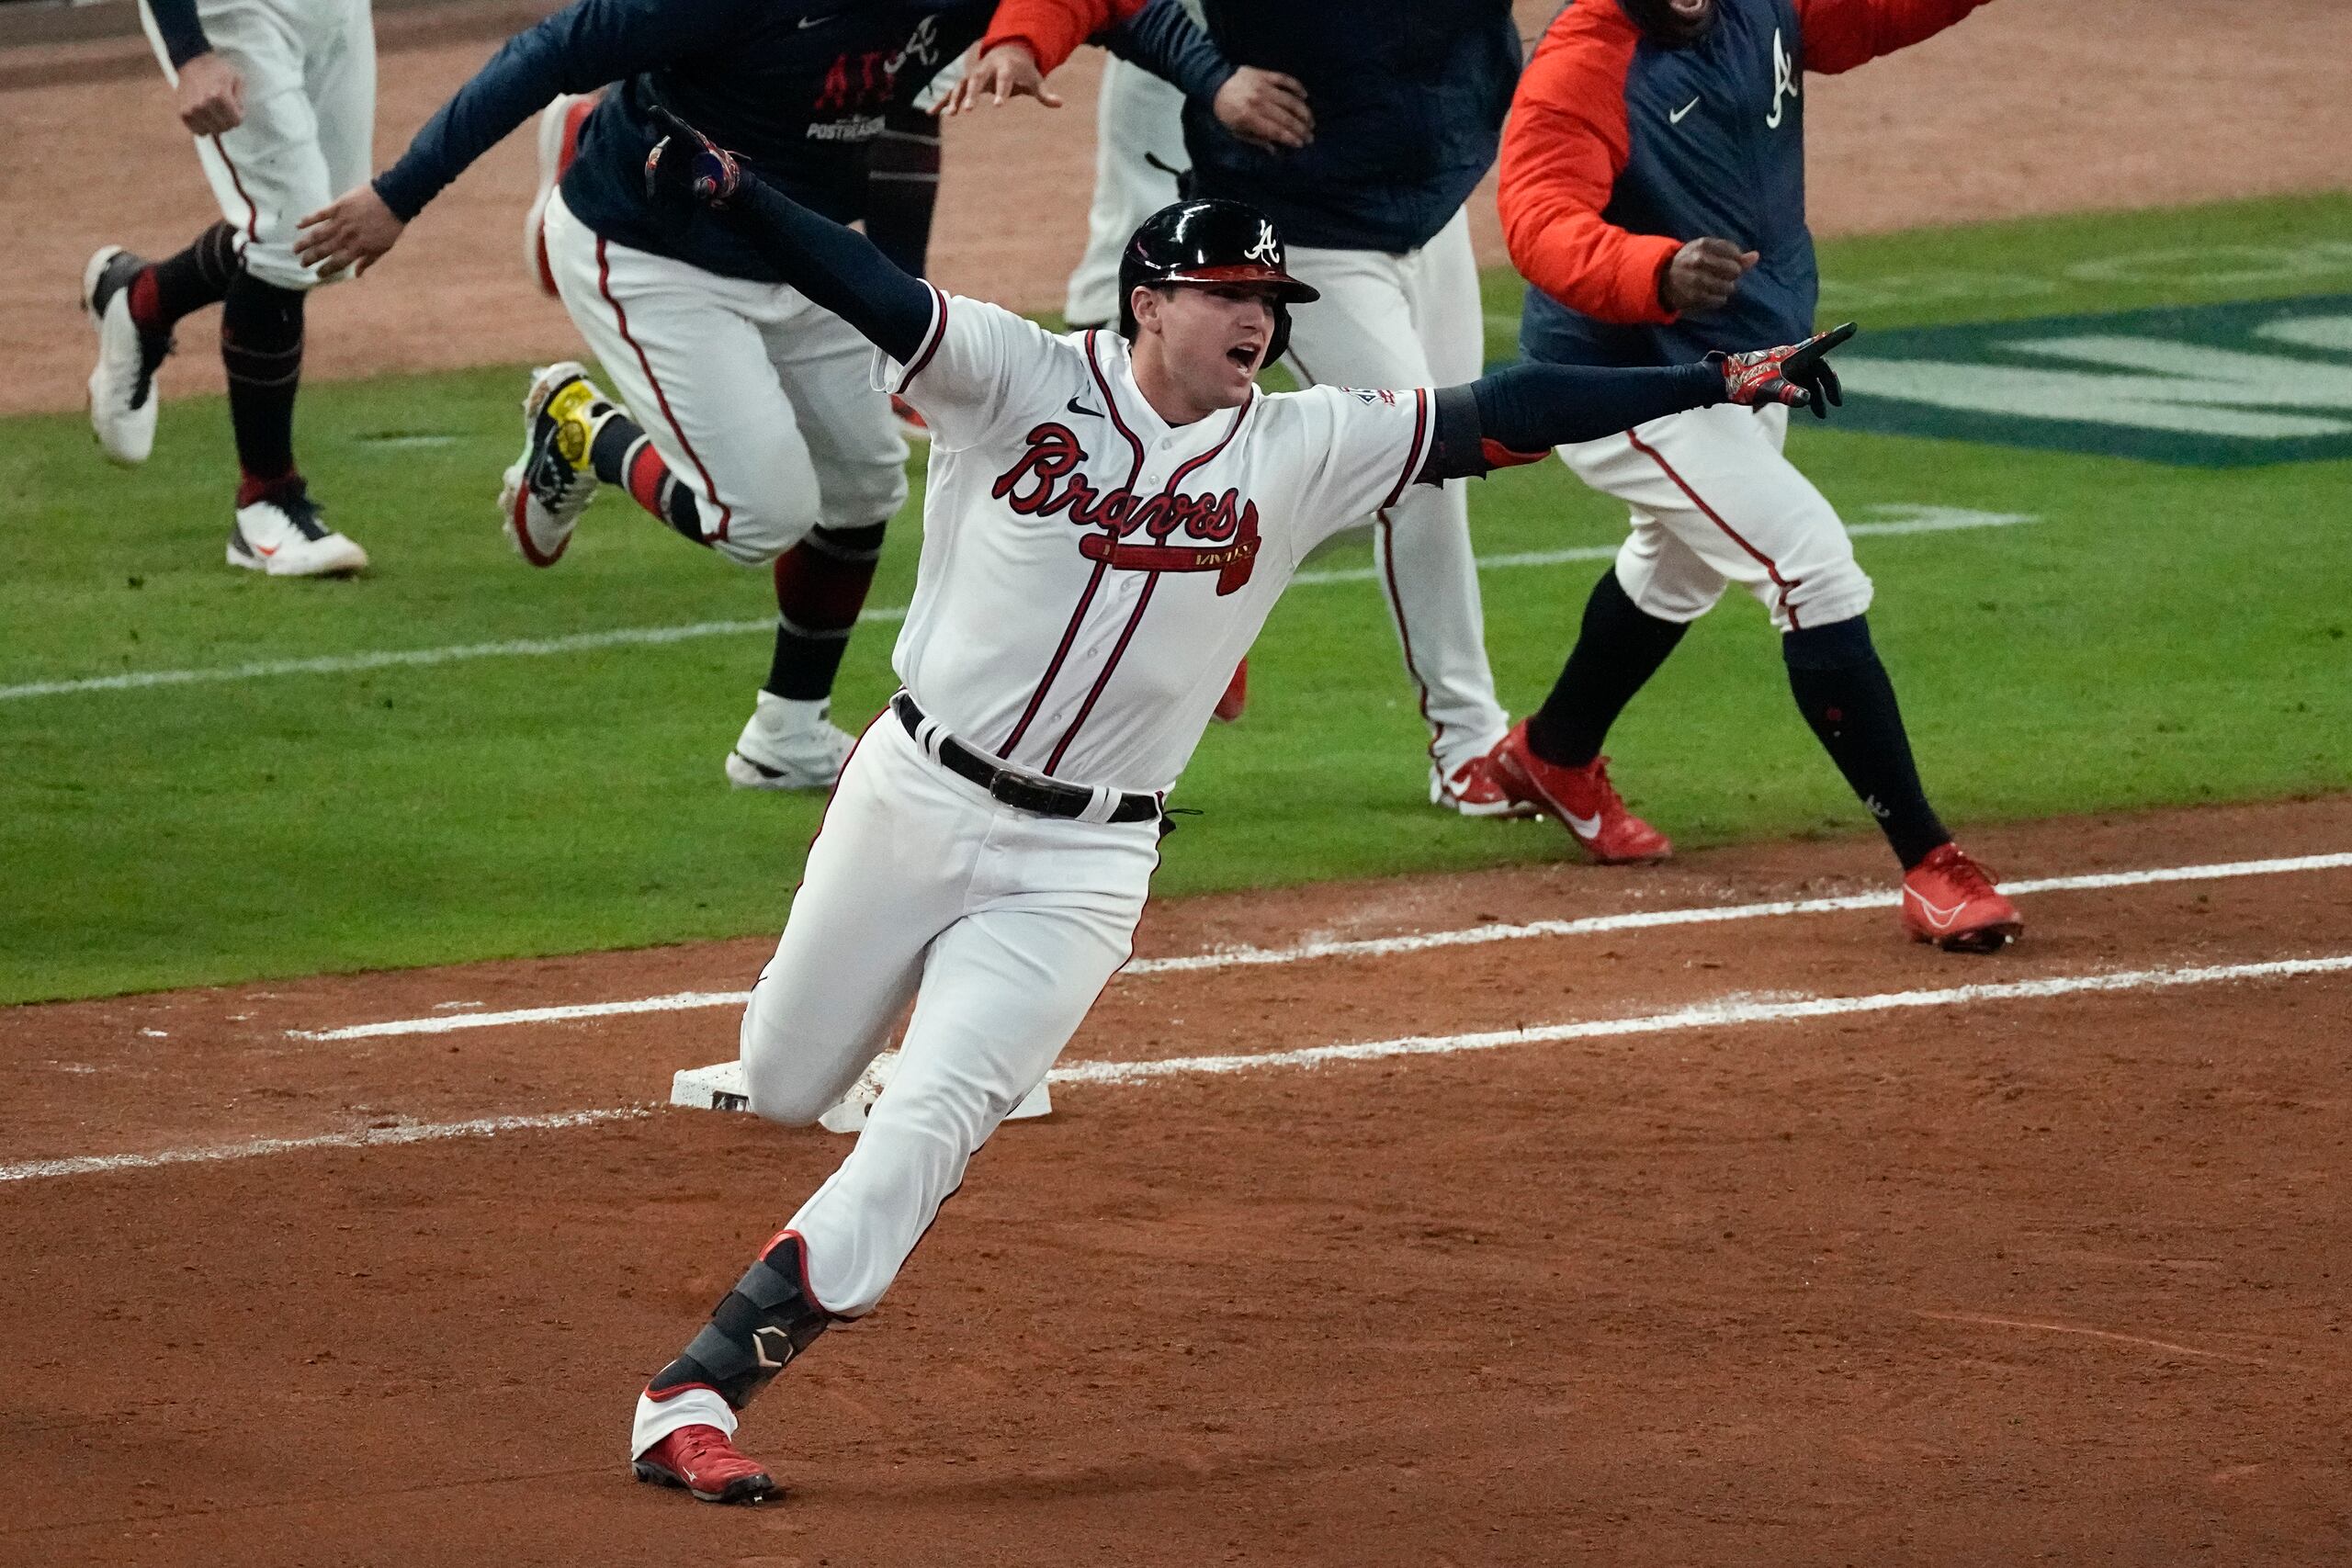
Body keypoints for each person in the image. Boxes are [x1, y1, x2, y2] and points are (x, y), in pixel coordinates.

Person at [616, 115, 1852, 1503]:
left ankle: (696, 1391)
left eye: (1273, 302)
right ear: (1152, 301)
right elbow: (874, 292)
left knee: (929, 1125)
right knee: (787, 1080)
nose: (1259, 321)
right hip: (908, 795)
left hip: (1084, 857)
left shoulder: (1307, 444)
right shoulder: (1015, 373)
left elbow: (1501, 413)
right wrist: (737, 191)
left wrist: (1710, 378)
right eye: (1232, 297)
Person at [291, 0, 1233, 789]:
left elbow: (1114, 6)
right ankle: (579, 431)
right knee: (758, 515)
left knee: (865, 485)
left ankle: (785, 734)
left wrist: (1205, 79)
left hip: (800, 241)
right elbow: (544, 54)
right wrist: (398, 195)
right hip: (652, 246)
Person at [1492, 0, 2017, 952]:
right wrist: (1650, 269)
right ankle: (1930, 865)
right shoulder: (1584, 61)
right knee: (1809, 563)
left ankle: (1551, 754)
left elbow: (1870, 18)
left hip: (1744, 359)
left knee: (1679, 565)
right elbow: (1537, 221)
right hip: (1626, 380)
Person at [952, 0, 1531, 809]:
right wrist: (1205, 77)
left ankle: (1212, 559)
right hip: (1306, 223)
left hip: (1428, 212)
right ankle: (1469, 743)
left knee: (1429, 470)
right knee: (1424, 463)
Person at [82, 0, 372, 577]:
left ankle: (141, 300)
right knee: (291, 241)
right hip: (233, 12)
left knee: (333, 238)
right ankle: (266, 503)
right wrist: (189, 51)